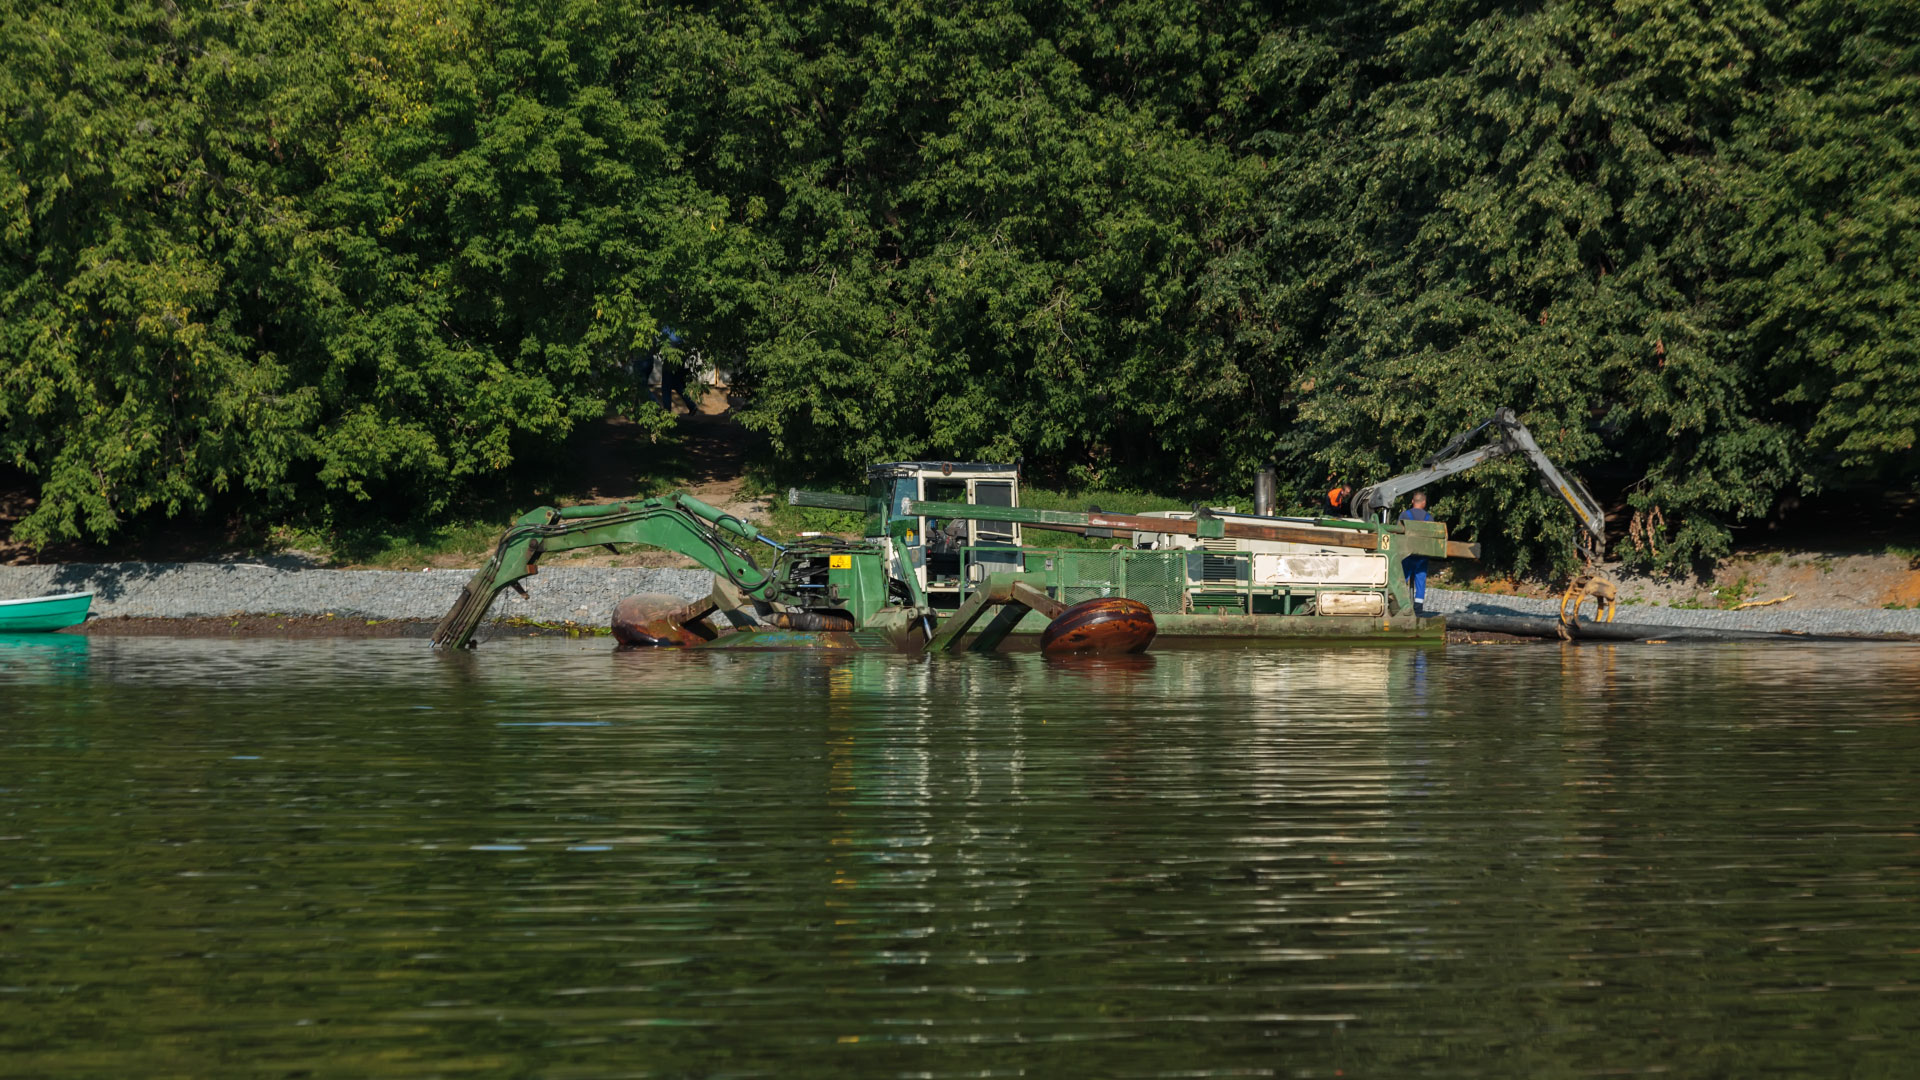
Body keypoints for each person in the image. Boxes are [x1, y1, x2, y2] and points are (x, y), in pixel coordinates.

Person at [1399, 490, 1434, 615]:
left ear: (1413, 501)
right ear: (1424, 503)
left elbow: (1398, 533)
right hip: (1422, 557)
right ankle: (1418, 608)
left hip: (1407, 554)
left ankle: (1400, 605)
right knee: (1420, 580)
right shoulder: (1429, 518)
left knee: (1402, 579)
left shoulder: (1404, 515)